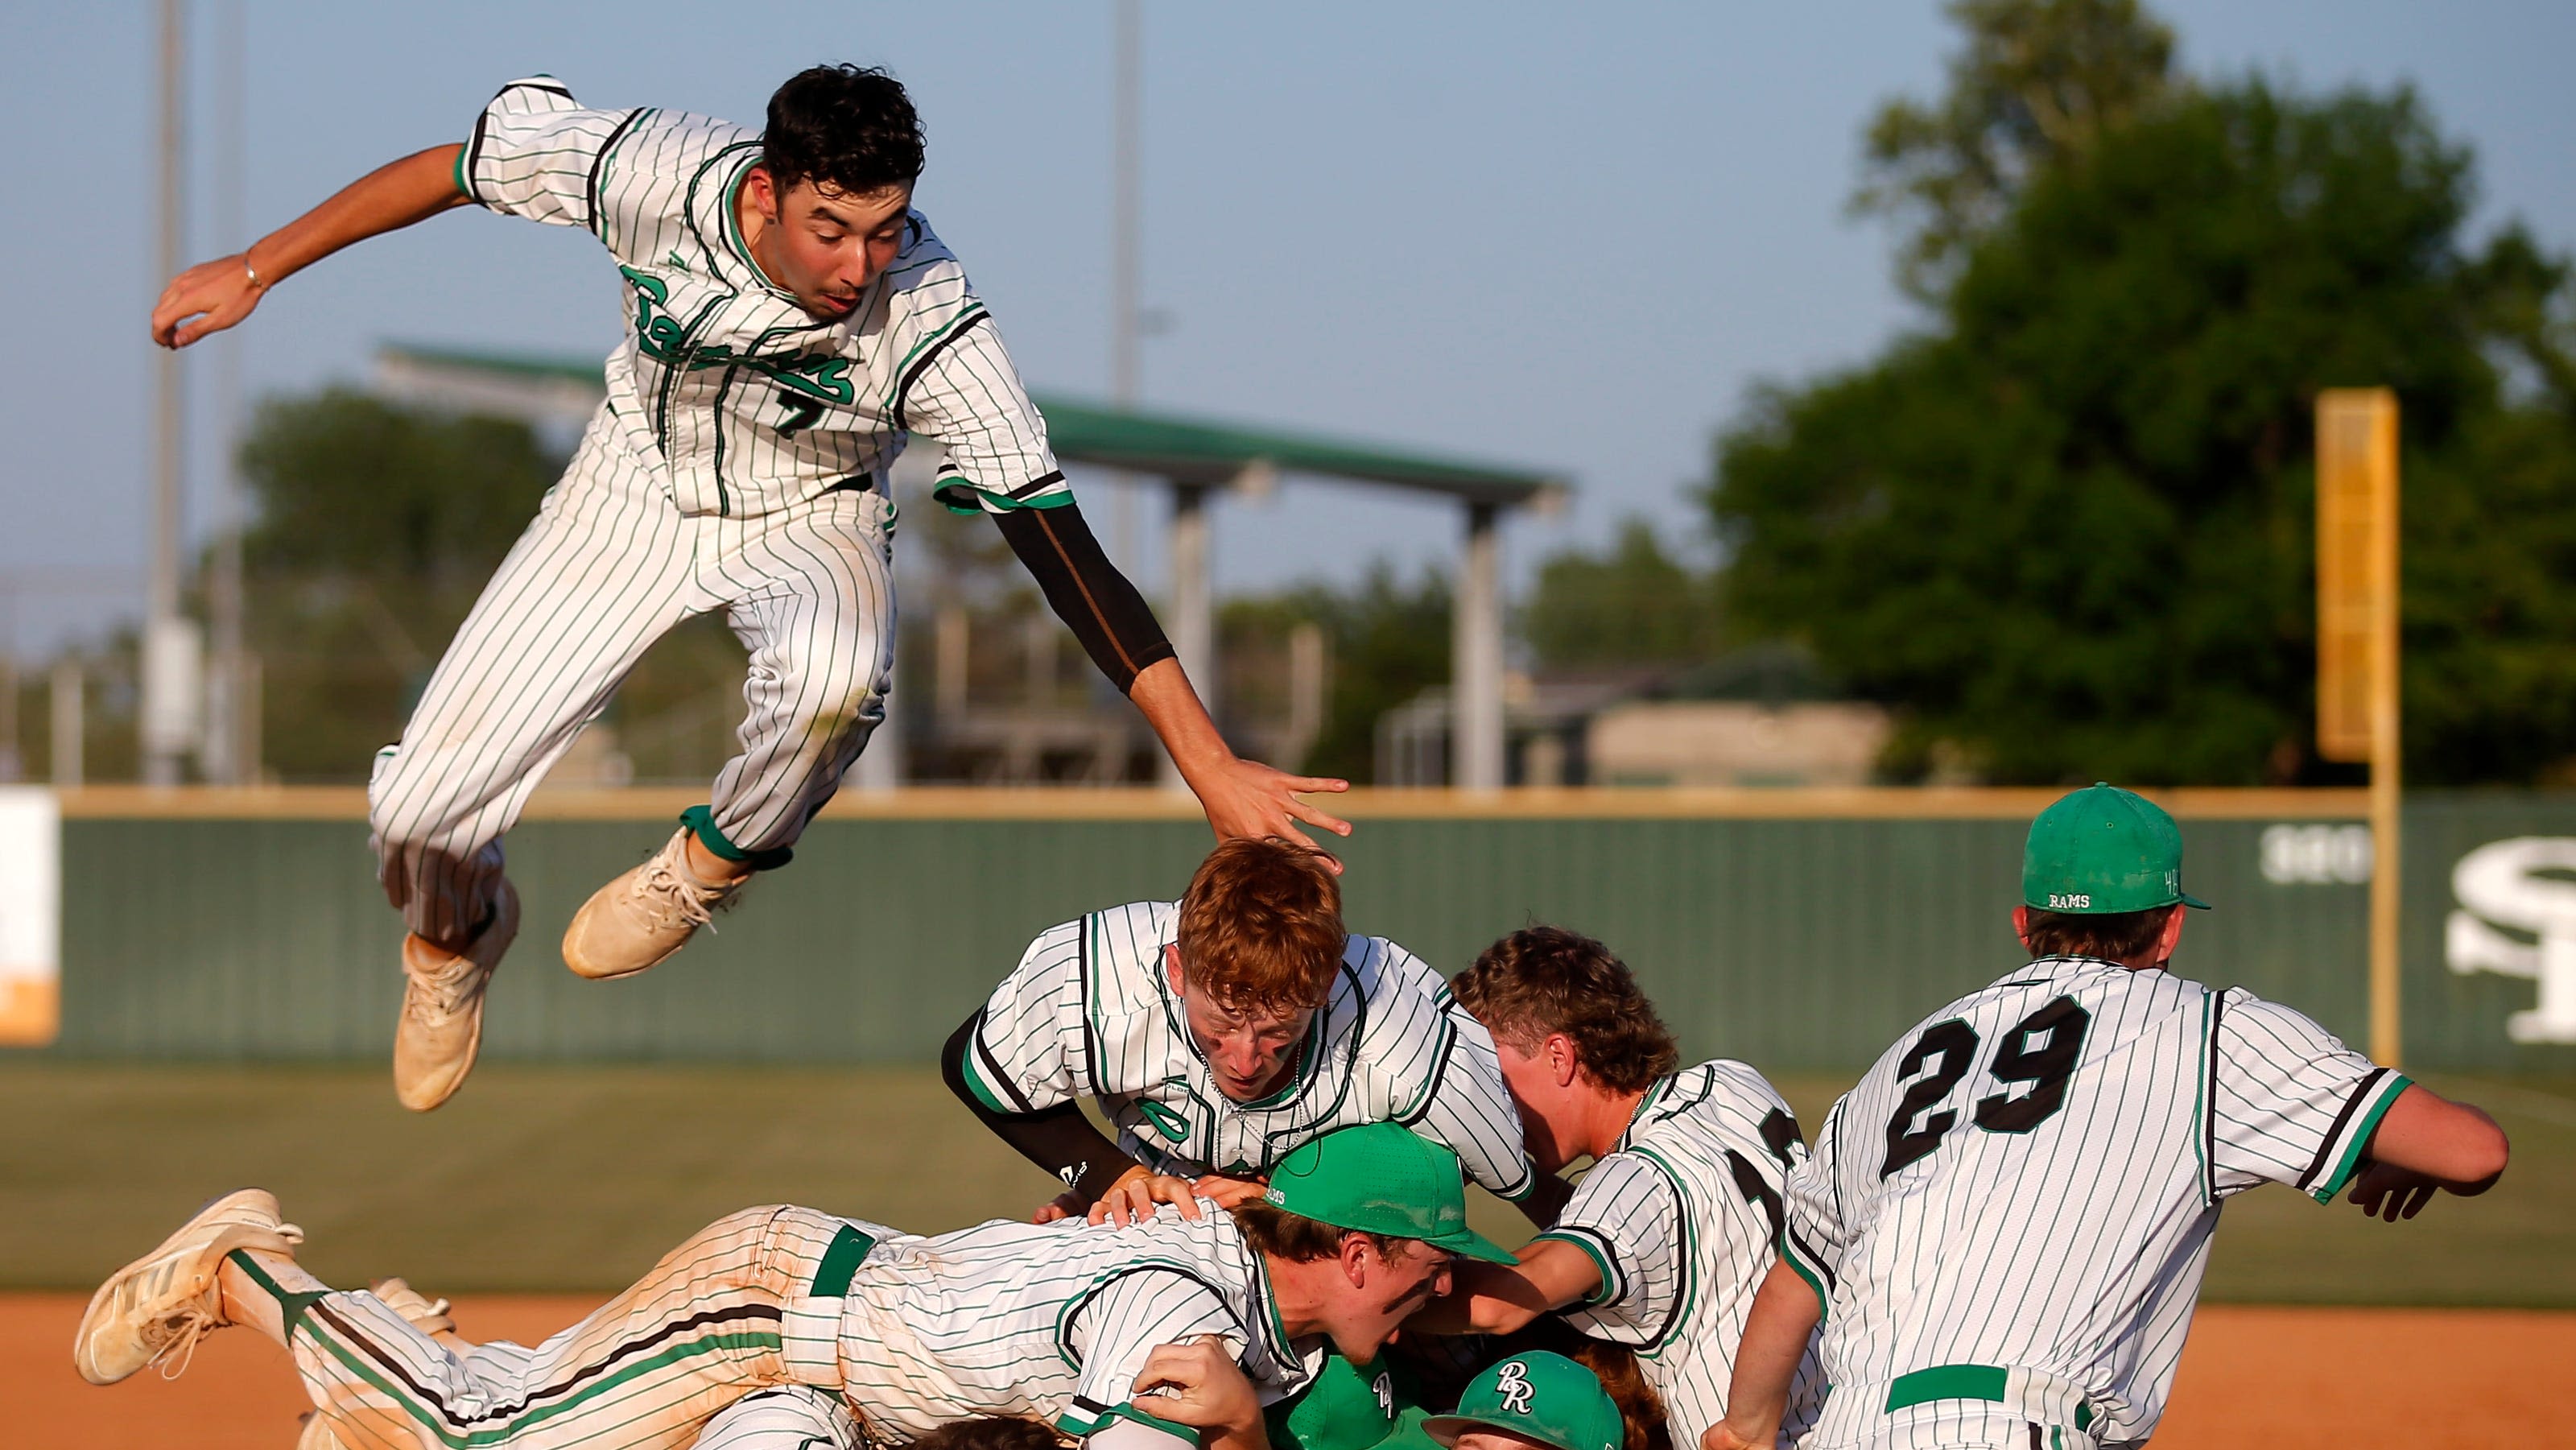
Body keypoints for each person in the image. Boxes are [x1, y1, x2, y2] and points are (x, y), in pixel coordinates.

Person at [147, 64, 1348, 1112]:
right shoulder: (655, 174)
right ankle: (456, 936)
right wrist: (259, 265)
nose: (860, 262)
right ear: (768, 190)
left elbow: (1055, 536)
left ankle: (706, 864)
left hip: (810, 514)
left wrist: (1203, 755)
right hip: (633, 489)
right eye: (833, 227)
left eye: (884, 229)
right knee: (417, 814)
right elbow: (455, 168)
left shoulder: (927, 310)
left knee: (836, 678)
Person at [1704, 784, 2513, 1450]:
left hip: (1845, 1428)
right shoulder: (2209, 1031)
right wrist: (2401, 1158)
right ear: (2169, 926)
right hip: (2012, 1427)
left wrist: (1742, 1432)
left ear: (2023, 925)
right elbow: (2473, 1151)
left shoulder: (1903, 1059)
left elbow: (1796, 1278)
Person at [75, 1124, 1512, 1450]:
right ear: (1360, 1249)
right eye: (1438, 1272)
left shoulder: (1244, 1313)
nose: (1445, 1303)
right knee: (484, 1438)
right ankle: (246, 1268)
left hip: (832, 1377)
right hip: (776, 1314)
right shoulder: (1180, 1314)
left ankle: (400, 1344)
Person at [943, 837, 1556, 1226]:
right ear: (1178, 968)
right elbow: (972, 1069)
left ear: (1322, 991)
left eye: (1275, 1033)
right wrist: (1108, 1177)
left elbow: (1521, 1188)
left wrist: (1295, 1201)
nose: (1243, 1057)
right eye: (1223, 1022)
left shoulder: (1401, 1040)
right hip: (1157, 1188)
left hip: (1323, 1221)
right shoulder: (1102, 978)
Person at [1419, 928, 1819, 1446]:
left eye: (1491, 1072)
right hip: (1848, 1404)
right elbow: (1642, 1232)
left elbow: (1506, 1302)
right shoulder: (1733, 1085)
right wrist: (1519, 1182)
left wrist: (1373, 1291)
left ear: (1560, 1056)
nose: (1487, 1100)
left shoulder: (1636, 1181)